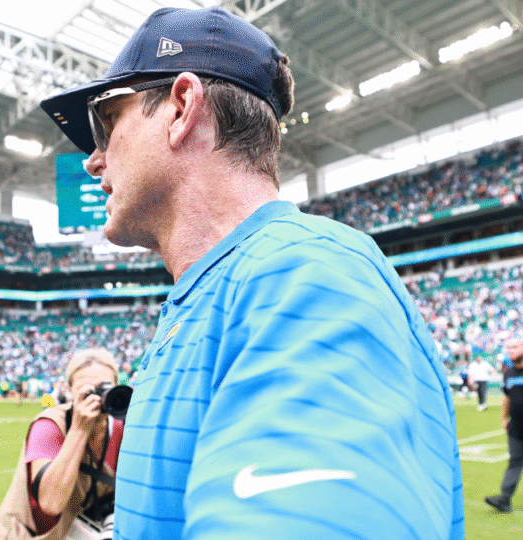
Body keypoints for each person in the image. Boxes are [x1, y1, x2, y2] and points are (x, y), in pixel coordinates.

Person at [40, 6, 463, 539]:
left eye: (104, 122)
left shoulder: (305, 274)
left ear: (181, 107)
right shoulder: (224, 290)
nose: (93, 160)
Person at [0, 348, 124, 540]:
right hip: (30, 534)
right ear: (70, 390)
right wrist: (79, 430)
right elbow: (50, 504)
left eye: (105, 388)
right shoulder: (50, 425)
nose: (99, 398)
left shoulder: (124, 429)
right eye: (88, 390)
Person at [485, 337, 523, 513]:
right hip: (515, 429)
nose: (511, 350)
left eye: (515, 347)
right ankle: (504, 500)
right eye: (509, 348)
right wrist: (503, 418)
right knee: (514, 463)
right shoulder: (508, 373)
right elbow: (506, 397)